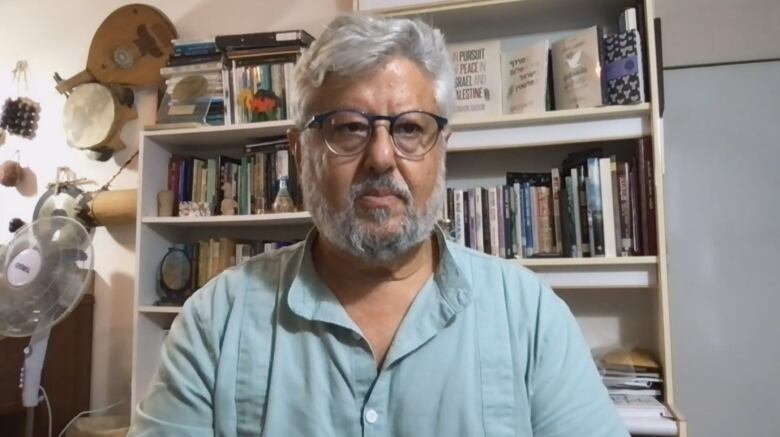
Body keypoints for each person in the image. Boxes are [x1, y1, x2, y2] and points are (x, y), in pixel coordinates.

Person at [129, 14, 629, 437]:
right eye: (349, 128)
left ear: (442, 149)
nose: (382, 157)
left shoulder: (531, 316)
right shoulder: (215, 323)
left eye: (410, 128)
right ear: (300, 153)